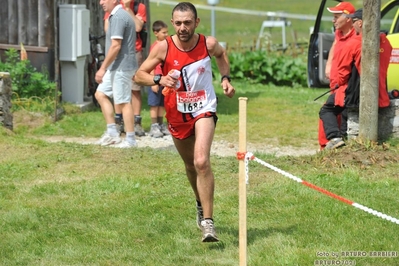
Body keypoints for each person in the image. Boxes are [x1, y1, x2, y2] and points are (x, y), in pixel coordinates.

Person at [134, 2, 235, 242]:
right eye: (178, 23)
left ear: (196, 23)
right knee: (190, 166)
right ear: (172, 23)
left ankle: (208, 223)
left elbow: (221, 55)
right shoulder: (163, 47)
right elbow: (139, 75)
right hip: (177, 113)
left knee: (201, 161)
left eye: (187, 23)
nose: (182, 28)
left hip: (204, 108)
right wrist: (159, 79)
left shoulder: (207, 43)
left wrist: (225, 78)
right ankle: (200, 203)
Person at [319, 7, 392, 150]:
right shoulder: (386, 42)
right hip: (380, 91)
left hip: (356, 94)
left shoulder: (353, 43)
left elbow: (342, 75)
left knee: (327, 110)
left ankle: (335, 138)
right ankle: (343, 140)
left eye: (353, 22)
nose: (352, 25)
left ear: (360, 23)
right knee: (344, 111)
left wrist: (336, 85)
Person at [95, 0, 137, 148]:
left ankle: (131, 140)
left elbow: (116, 46)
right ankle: (113, 134)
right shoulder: (115, 15)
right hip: (116, 66)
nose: (100, 2)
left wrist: (102, 68)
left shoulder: (119, 16)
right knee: (100, 94)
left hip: (122, 66)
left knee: (124, 102)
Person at [104, 0, 147, 137]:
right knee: (118, 90)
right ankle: (118, 121)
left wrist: (128, 9)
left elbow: (138, 27)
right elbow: (107, 29)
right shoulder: (114, 7)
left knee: (135, 89)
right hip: (118, 54)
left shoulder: (139, 7)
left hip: (134, 52)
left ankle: (136, 121)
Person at [318, 1, 356, 150]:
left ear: (348, 19)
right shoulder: (339, 32)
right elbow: (335, 43)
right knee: (333, 113)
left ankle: (334, 142)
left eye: (336, 16)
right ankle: (329, 145)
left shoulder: (355, 36)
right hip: (335, 82)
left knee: (328, 111)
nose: (333, 20)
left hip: (344, 85)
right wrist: (328, 65)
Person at [148, 20, 170, 138]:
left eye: (167, 32)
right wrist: (153, 81)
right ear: (156, 33)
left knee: (162, 104)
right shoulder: (154, 47)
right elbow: (151, 65)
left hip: (164, 80)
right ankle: (154, 125)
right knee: (154, 104)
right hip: (156, 79)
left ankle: (161, 124)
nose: (166, 34)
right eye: (164, 32)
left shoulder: (166, 45)